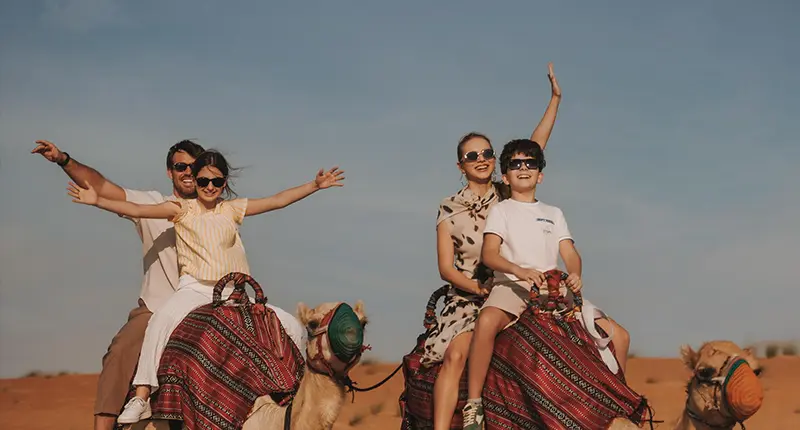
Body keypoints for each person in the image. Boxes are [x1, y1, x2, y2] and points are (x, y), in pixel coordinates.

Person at [67, 149, 344, 424]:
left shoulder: (231, 209)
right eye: (203, 181)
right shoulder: (181, 209)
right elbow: (138, 209)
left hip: (235, 293)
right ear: (195, 181)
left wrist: (314, 185)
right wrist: (97, 201)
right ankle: (141, 395)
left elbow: (277, 201)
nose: (210, 187)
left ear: (224, 183)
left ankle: (295, 392)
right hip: (195, 288)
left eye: (216, 181)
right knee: (160, 322)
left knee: (292, 326)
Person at [422, 63, 566, 430]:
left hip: (516, 286)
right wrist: (478, 288)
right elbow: (446, 268)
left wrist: (555, 100)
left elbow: (534, 148)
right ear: (461, 165)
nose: (482, 159)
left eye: (486, 153)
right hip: (469, 297)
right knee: (457, 354)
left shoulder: (506, 192)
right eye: (472, 156)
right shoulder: (448, 208)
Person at [460, 138, 582, 429]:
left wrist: (575, 273)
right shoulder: (502, 211)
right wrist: (520, 271)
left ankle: (615, 409)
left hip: (552, 290)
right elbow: (490, 254)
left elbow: (569, 253)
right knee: (486, 321)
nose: (523, 168)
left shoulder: (554, 213)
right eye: (516, 164)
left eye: (531, 163)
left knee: (618, 336)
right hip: (512, 287)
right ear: (505, 176)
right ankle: (474, 404)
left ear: (540, 175)